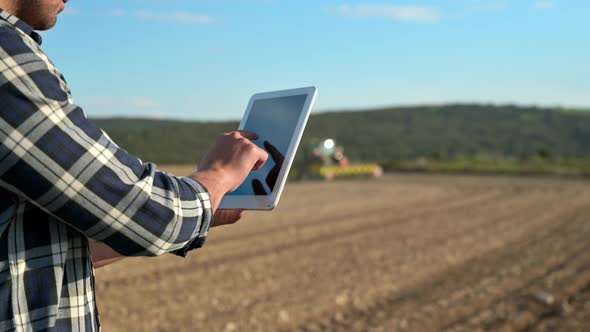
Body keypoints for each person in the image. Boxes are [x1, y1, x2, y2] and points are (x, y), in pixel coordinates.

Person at [0, 1, 269, 330]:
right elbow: (145, 215)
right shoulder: (5, 58)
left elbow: (48, 250)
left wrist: (206, 207)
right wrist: (219, 175)